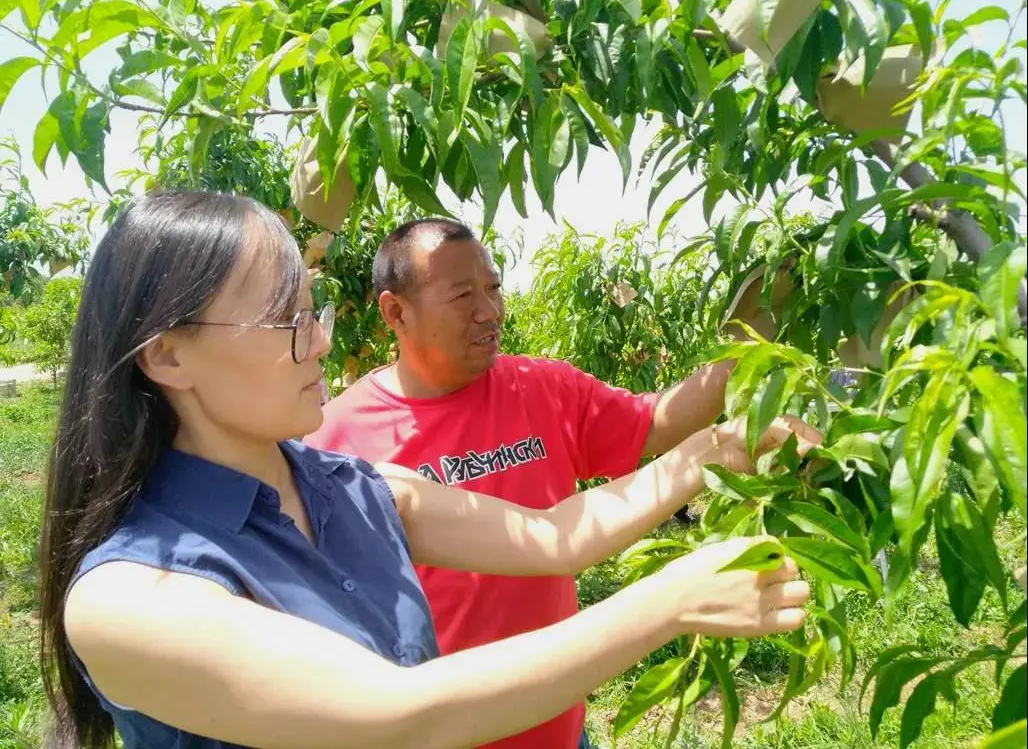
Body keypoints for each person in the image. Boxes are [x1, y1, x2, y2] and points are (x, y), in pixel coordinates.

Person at [40, 191, 818, 749]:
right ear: (168, 353)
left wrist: (716, 449)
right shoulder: (131, 597)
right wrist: (671, 601)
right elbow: (402, 715)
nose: (316, 344)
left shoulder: (352, 489)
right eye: (286, 319)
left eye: (316, 312)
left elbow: (553, 538)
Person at [305, 218, 772, 748]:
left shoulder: (541, 388)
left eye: (493, 288)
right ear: (396, 312)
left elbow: (658, 422)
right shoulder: (334, 441)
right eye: (462, 295)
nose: (489, 311)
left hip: (557, 727)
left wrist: (751, 342)